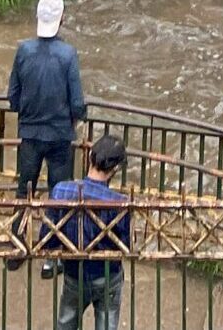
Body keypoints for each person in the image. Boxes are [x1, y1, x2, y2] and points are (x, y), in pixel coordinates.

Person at [7, 0, 88, 262]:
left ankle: (16, 247)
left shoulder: (23, 51)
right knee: (58, 193)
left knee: (24, 190)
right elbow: (77, 101)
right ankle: (52, 253)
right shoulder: (68, 55)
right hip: (60, 136)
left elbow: (13, 97)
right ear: (61, 19)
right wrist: (77, 117)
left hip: (30, 134)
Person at [45, 133, 131, 330]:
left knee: (66, 323)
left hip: (74, 272)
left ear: (89, 156)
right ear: (115, 169)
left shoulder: (61, 191)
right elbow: (124, 246)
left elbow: (47, 238)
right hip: (108, 275)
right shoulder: (120, 203)